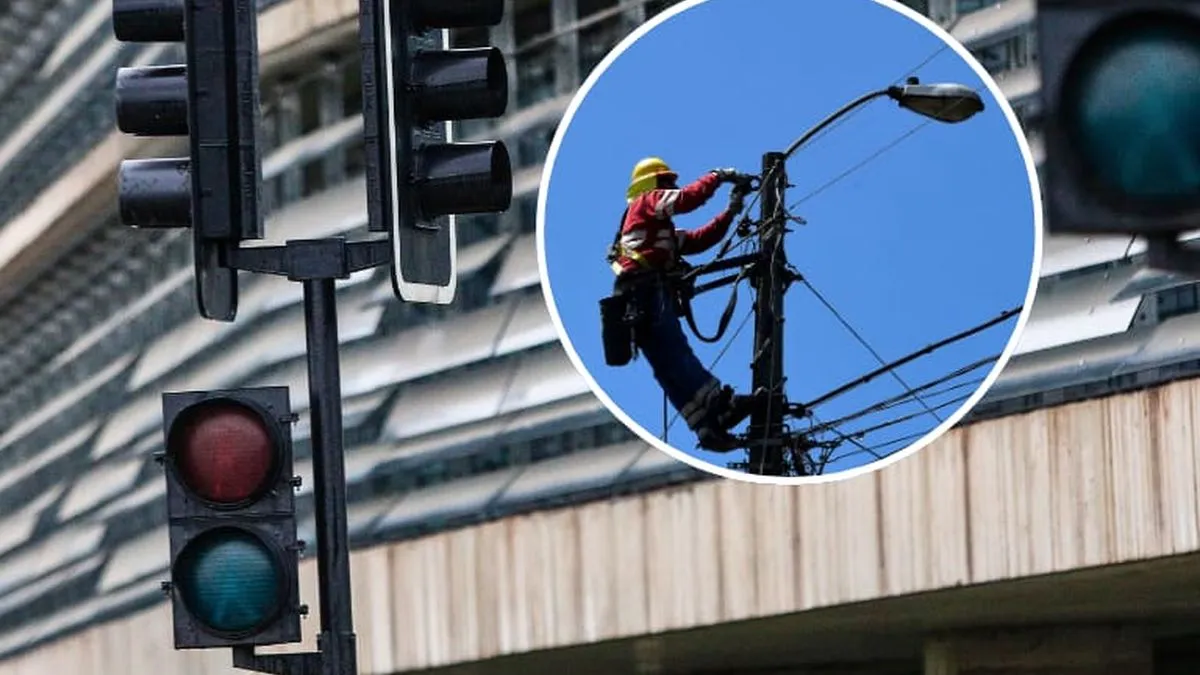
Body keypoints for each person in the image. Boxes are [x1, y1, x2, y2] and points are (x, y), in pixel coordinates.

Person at [608, 156, 763, 451]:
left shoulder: (654, 228)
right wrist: (718, 174)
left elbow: (700, 239)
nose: (673, 187)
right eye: (668, 182)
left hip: (634, 301)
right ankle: (721, 404)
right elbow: (689, 199)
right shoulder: (647, 201)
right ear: (654, 183)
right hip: (644, 293)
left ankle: (706, 427)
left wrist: (731, 210)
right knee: (675, 353)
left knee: (666, 366)